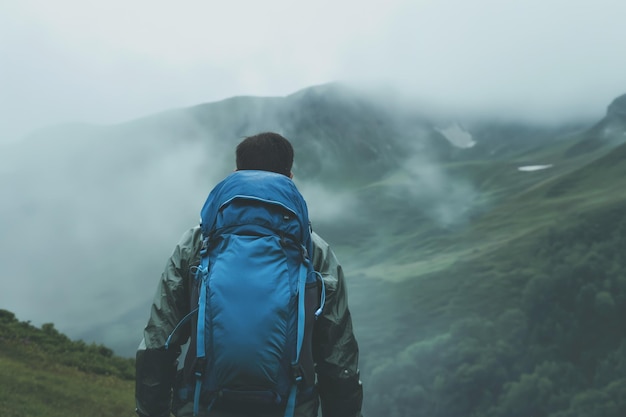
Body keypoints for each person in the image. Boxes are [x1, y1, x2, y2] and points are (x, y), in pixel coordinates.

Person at [135, 132, 363, 417]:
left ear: (235, 172)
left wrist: (151, 411)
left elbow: (160, 340)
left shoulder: (196, 244)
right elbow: (337, 357)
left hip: (201, 406)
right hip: (290, 408)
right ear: (290, 177)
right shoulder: (314, 251)